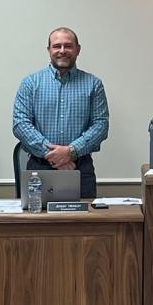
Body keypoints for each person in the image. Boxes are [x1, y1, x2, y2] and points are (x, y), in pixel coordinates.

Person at [13, 27, 109, 198]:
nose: (62, 51)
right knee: (36, 223)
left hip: (80, 167)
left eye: (68, 46)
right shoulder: (30, 83)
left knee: (84, 223)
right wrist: (55, 156)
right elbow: (20, 124)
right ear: (49, 50)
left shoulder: (93, 84)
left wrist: (71, 152)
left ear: (78, 49)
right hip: (39, 168)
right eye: (57, 46)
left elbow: (100, 125)